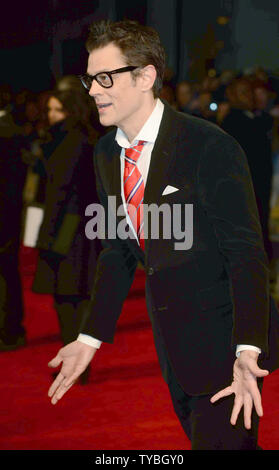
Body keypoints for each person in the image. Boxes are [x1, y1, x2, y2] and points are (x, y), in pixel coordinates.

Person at [47, 20, 279, 450]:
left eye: (104, 78)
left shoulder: (209, 145)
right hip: (171, 342)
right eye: (89, 78)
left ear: (145, 76)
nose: (93, 90)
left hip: (227, 344)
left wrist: (248, 349)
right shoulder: (105, 153)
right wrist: (88, 338)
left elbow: (246, 253)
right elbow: (117, 252)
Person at [32, 89, 101, 382]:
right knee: (75, 298)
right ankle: (77, 365)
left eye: (58, 110)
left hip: (67, 228)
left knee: (68, 299)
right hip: (80, 226)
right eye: (49, 110)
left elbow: (58, 191)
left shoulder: (69, 141)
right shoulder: (83, 138)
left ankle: (75, 366)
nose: (52, 116)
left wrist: (44, 235)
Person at [0, 90, 27, 350]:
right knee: (9, 271)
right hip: (10, 211)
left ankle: (9, 331)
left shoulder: (6, 133)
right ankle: (12, 328)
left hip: (5, 213)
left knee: (5, 273)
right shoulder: (12, 130)